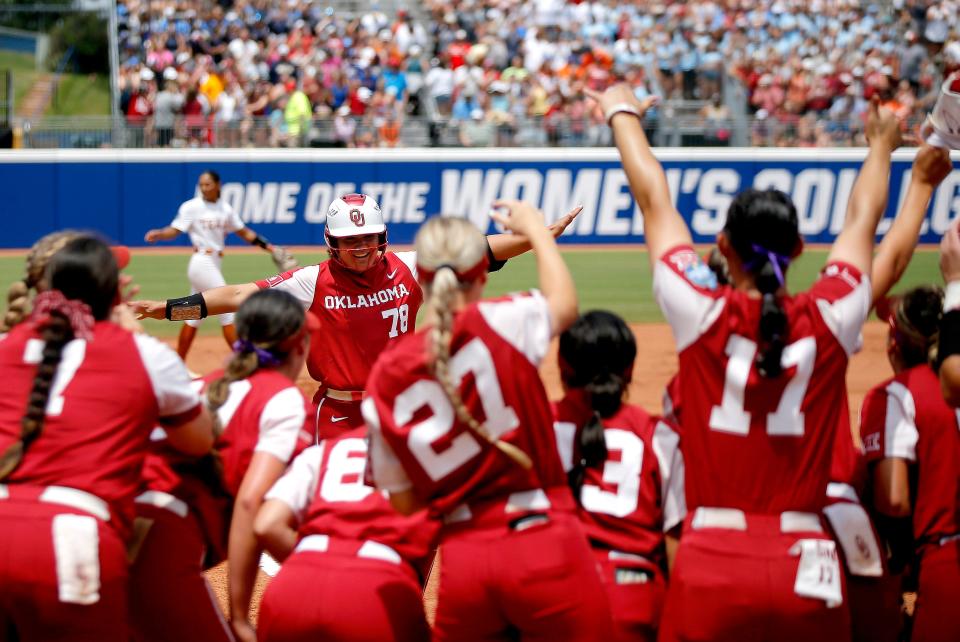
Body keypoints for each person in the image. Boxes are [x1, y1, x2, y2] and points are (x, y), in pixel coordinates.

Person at [586, 83, 902, 641]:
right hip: (810, 563)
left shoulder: (700, 310)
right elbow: (862, 220)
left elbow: (653, 197)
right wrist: (880, 147)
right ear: (801, 250)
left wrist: (621, 112)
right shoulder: (833, 314)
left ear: (723, 245)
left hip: (712, 559)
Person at [362, 206, 614, 641]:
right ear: (483, 270)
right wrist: (536, 230)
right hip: (546, 539)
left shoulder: (386, 373)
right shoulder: (506, 319)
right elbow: (565, 306)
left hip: (467, 559)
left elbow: (403, 504)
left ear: (417, 275)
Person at [132, 194, 581, 438]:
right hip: (340, 414)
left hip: (402, 402)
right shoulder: (314, 280)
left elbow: (481, 248)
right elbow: (236, 293)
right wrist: (170, 309)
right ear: (332, 242)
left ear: (383, 236)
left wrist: (537, 234)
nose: (360, 246)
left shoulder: (410, 265)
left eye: (367, 237)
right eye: (350, 240)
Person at [0, 235, 213, 640]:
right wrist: (137, 336)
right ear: (115, 292)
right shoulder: (139, 353)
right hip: (70, 538)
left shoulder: (7, 347)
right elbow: (198, 442)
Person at [129, 289, 315, 642]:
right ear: (301, 346)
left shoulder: (201, 385)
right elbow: (250, 505)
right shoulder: (284, 401)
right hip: (165, 543)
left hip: (117, 529)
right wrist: (241, 617)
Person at [553, 311, 685, 642]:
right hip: (634, 596)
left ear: (563, 369)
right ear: (629, 370)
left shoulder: (542, 427)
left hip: (555, 596)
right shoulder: (659, 435)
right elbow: (676, 545)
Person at [253, 427, 437, 642]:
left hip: (294, 589)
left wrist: (311, 564)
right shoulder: (435, 455)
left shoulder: (326, 449)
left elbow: (267, 525)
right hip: (375, 596)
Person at [860, 286, 960, 642]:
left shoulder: (895, 395)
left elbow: (895, 499)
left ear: (894, 344)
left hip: (944, 564)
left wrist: (903, 568)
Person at [143, 170, 289, 361]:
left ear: (218, 185)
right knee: (227, 309)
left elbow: (244, 232)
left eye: (208, 184)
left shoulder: (225, 209)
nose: (204, 188)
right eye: (201, 184)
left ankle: (178, 362)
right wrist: (160, 234)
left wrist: (269, 247)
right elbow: (176, 229)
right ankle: (244, 362)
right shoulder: (192, 207)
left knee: (193, 315)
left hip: (214, 262)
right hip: (201, 262)